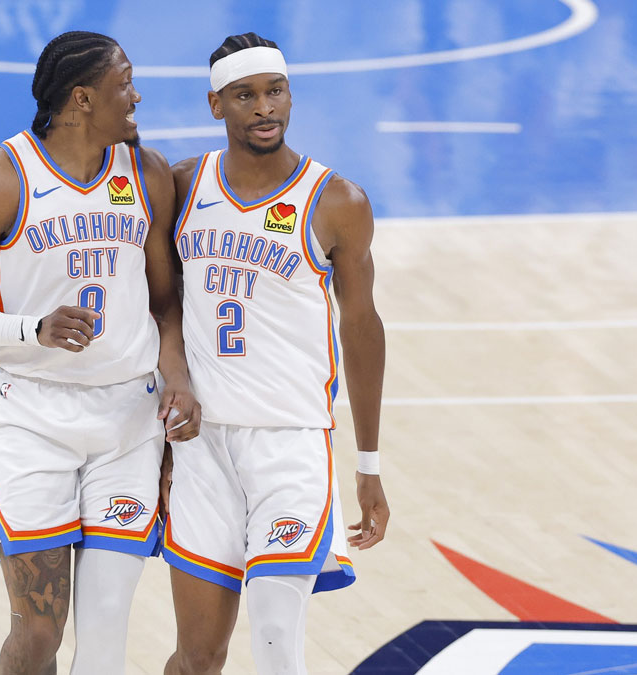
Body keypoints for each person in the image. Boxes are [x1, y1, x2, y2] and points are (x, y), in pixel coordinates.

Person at [0, 31, 200, 675]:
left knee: (104, 637)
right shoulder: (0, 179)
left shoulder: (147, 175)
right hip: (33, 421)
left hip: (129, 422)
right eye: (124, 83)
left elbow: (166, 302)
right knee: (40, 636)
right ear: (81, 98)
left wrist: (178, 378)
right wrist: (32, 329)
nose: (136, 95)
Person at [161, 32, 391, 674]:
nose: (264, 108)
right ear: (216, 105)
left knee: (275, 647)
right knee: (197, 657)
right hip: (201, 447)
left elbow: (363, 329)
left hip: (290, 446)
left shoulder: (335, 201)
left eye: (275, 91)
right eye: (245, 95)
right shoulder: (183, 186)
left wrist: (368, 464)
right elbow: (160, 303)